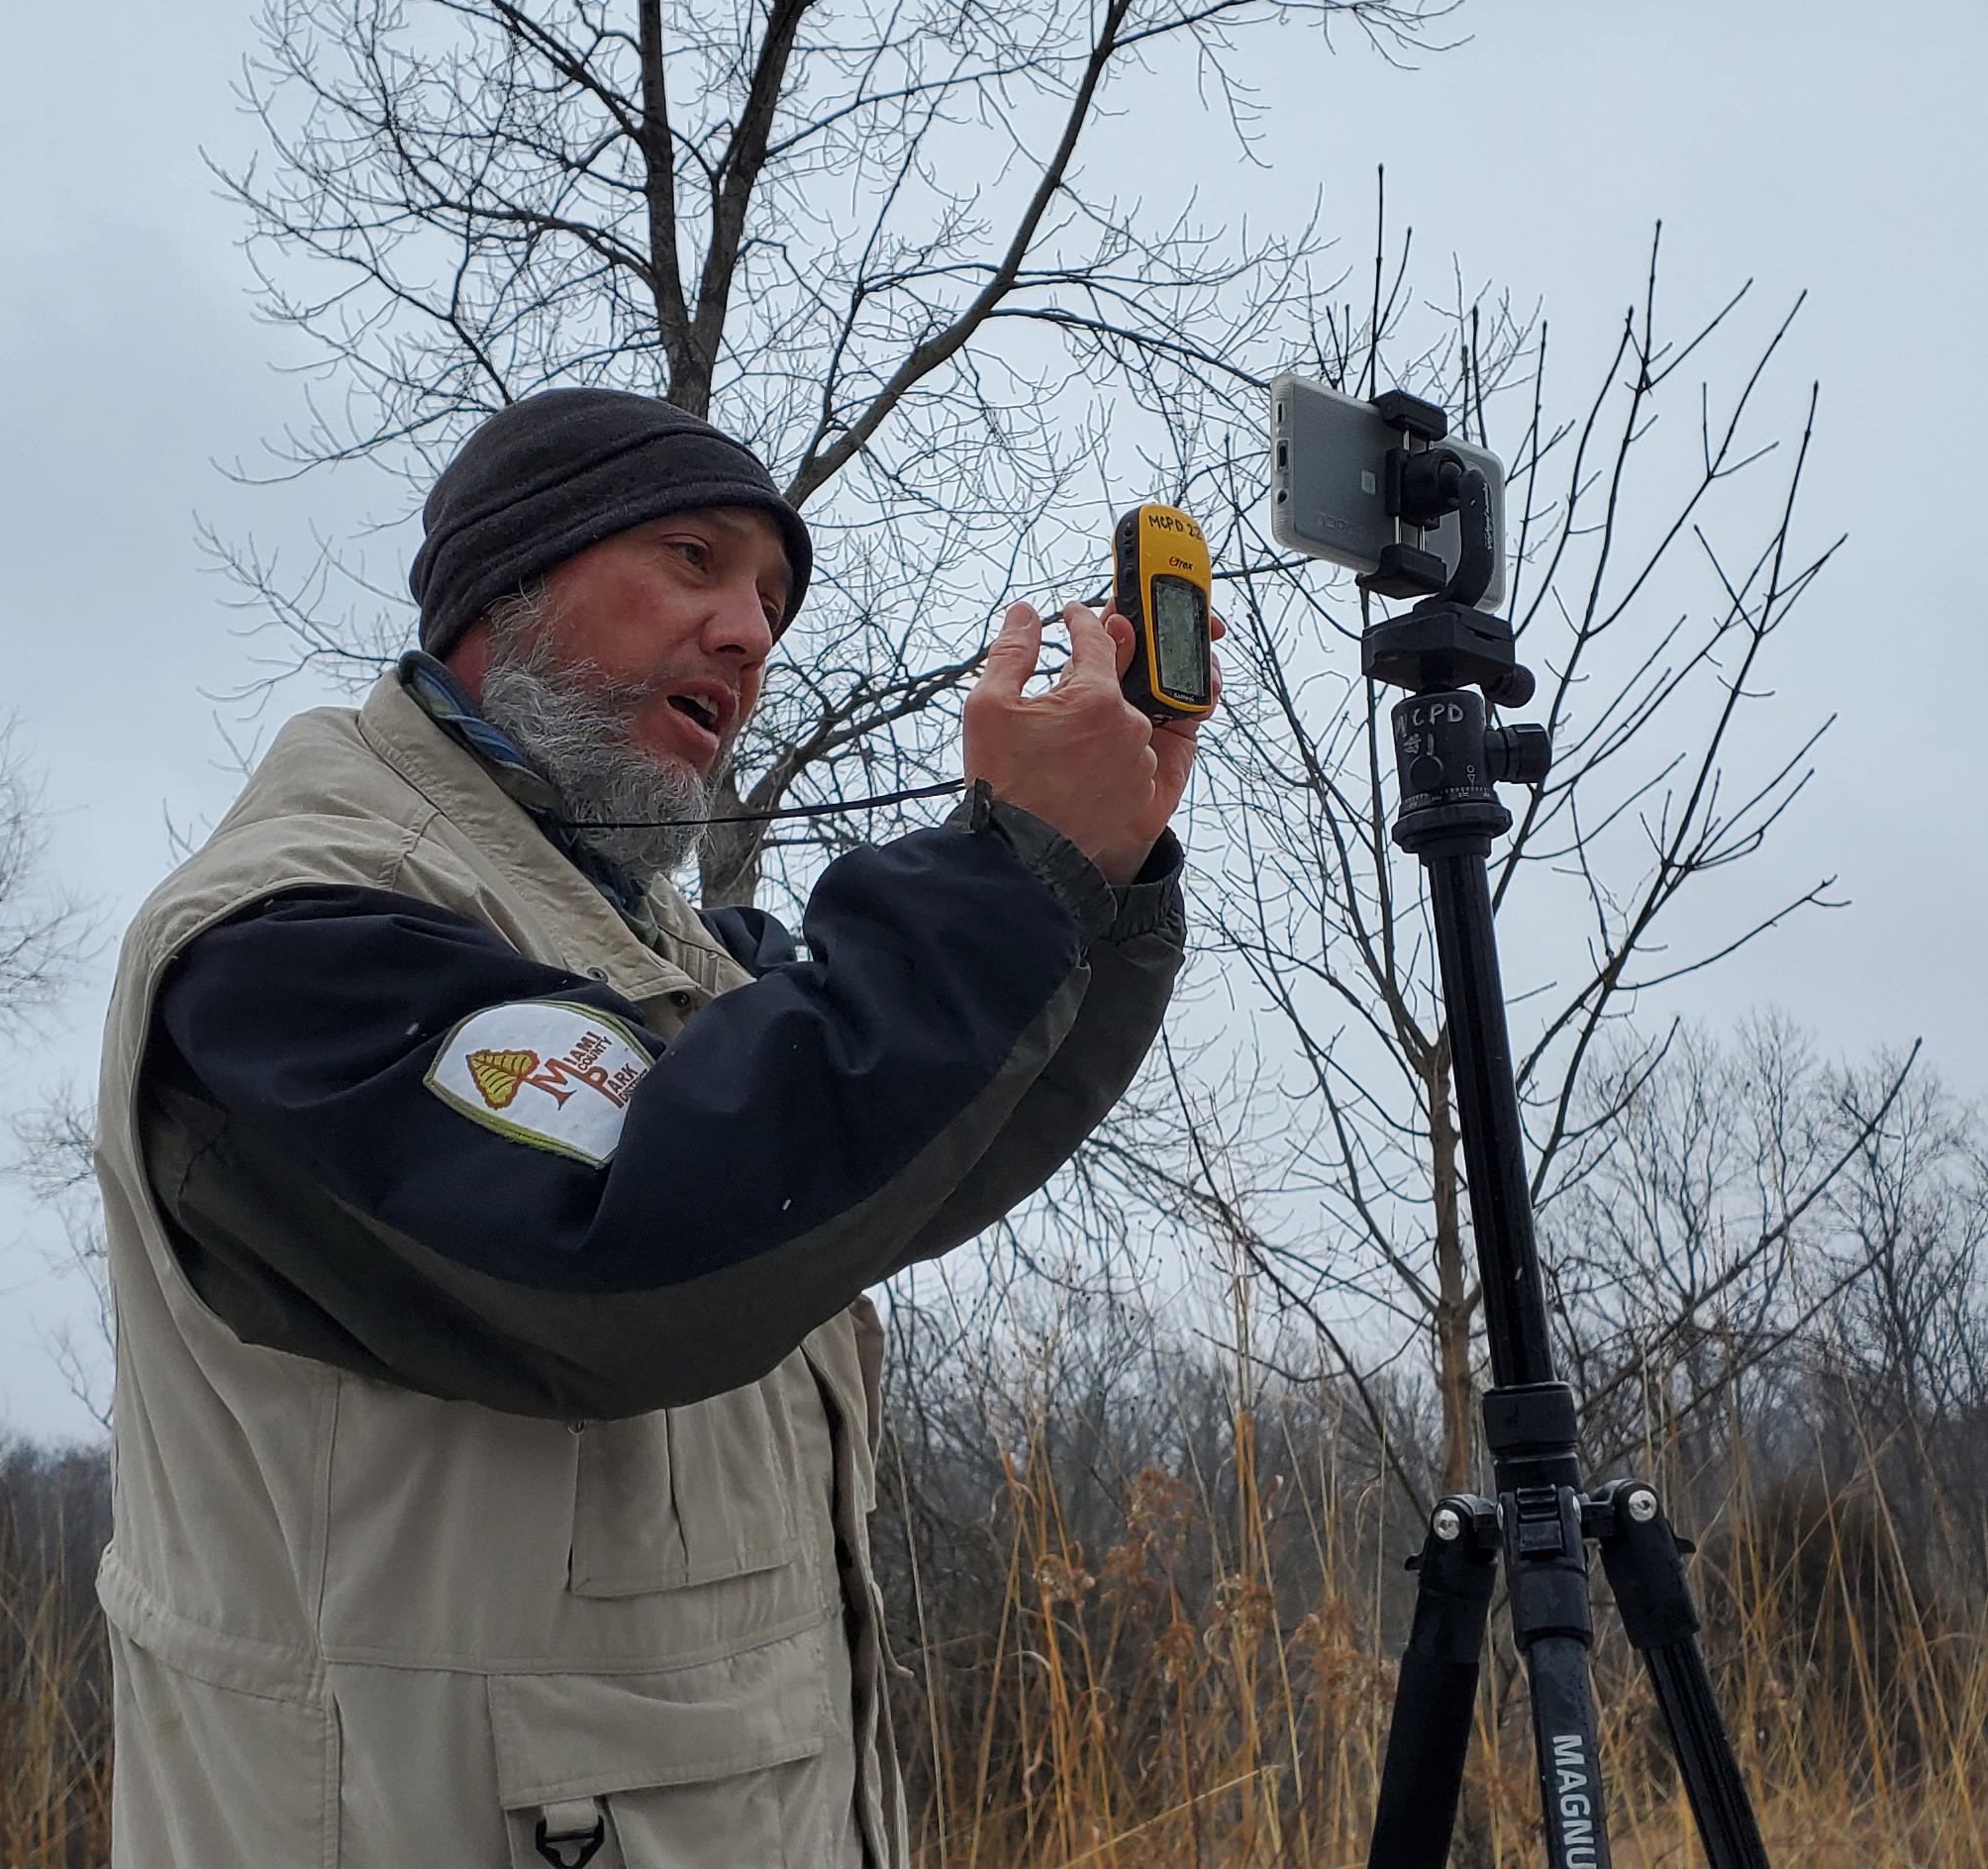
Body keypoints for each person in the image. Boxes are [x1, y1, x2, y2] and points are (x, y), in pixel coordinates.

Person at [94, 389, 1213, 1868]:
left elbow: (899, 1161)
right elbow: (634, 1245)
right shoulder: (291, 938)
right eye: (695, 559)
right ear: (505, 581)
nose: (751, 634)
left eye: (771, 601)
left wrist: (1094, 889)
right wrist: (1010, 878)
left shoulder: (653, 947)